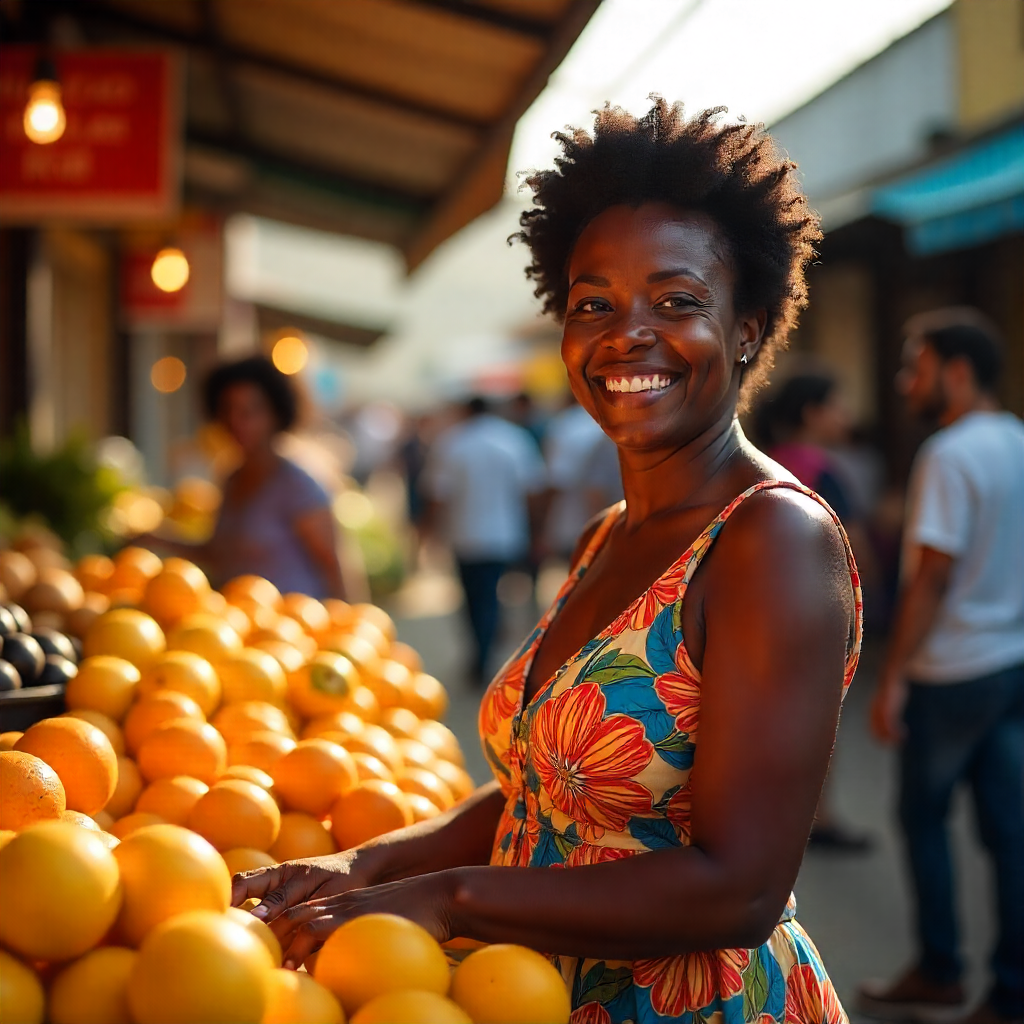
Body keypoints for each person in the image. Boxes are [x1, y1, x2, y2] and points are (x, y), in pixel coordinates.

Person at [233, 100, 860, 1023]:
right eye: (592, 303)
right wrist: (366, 864)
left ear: (750, 328)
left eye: (678, 302)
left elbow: (740, 887)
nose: (626, 333)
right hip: (531, 989)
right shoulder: (608, 532)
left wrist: (451, 897)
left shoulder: (771, 541)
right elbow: (545, 793)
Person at [860, 310, 1024, 1024]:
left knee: (923, 818)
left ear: (956, 372)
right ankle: (1012, 987)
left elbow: (930, 575)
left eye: (915, 367)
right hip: (1011, 663)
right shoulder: (1018, 439)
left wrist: (892, 676)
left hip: (950, 670)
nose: (905, 383)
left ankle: (939, 969)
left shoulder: (949, 454)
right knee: (1009, 831)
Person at [761, 373, 874, 852]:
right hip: (816, 619)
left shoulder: (763, 466)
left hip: (763, 612)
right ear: (811, 412)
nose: (844, 418)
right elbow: (855, 547)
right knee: (822, 721)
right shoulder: (822, 469)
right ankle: (818, 818)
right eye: (836, 406)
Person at [141, 356, 346, 599]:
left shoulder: (297, 485)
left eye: (250, 411)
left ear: (275, 413)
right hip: (238, 625)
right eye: (228, 410)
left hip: (294, 625)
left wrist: (350, 623)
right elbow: (220, 553)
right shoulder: (232, 478)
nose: (237, 422)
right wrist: (159, 539)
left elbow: (334, 565)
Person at [424, 396, 546, 683]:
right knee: (492, 597)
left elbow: (437, 494)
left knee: (473, 598)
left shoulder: (452, 442)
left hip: (465, 535)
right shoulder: (513, 439)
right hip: (504, 535)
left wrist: (429, 531)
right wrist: (536, 529)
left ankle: (481, 654)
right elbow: (533, 489)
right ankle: (486, 652)